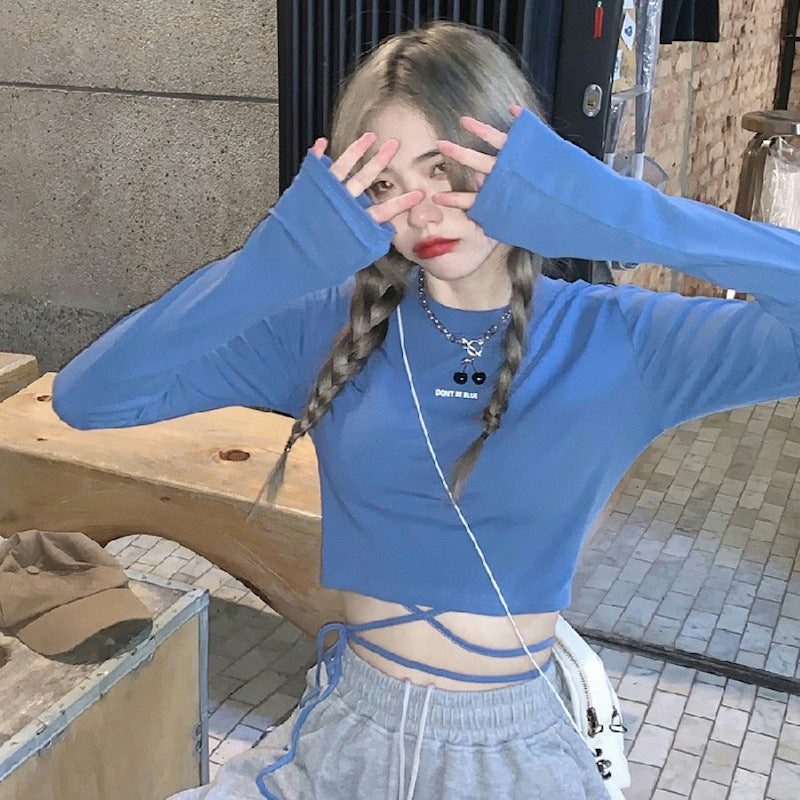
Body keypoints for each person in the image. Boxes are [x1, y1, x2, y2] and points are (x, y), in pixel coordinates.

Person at [52, 20, 800, 800]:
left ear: (521, 169)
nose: (422, 213)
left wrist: (629, 215)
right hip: (345, 738)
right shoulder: (331, 328)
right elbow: (88, 399)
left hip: (513, 760)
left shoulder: (623, 341)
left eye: (445, 169)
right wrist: (267, 265)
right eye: (385, 187)